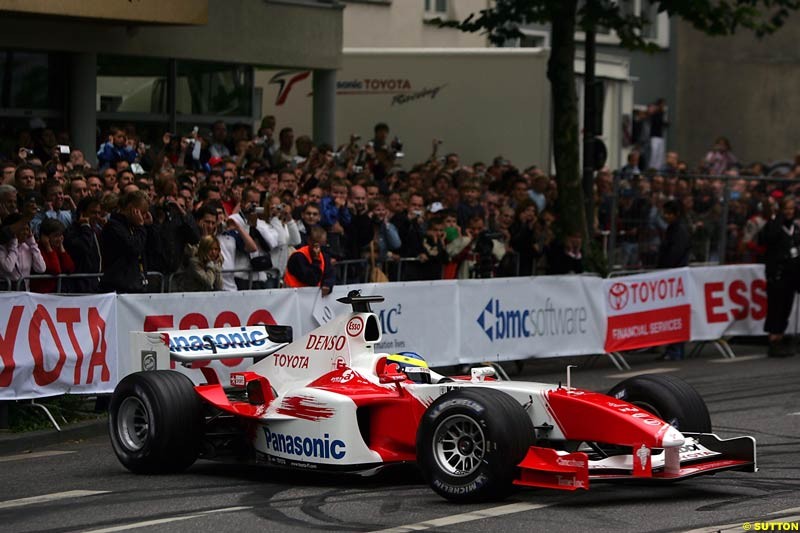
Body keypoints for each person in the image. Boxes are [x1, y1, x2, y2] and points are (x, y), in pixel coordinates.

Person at [759, 197, 800, 357]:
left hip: (792, 274)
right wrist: (776, 218)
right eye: (786, 209)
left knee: (786, 307)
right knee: (776, 307)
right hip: (777, 274)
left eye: (791, 209)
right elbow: (766, 239)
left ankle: (781, 337)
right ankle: (773, 339)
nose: (789, 212)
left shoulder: (795, 228)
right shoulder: (774, 226)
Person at [657, 199, 691, 360]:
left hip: (674, 276)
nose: (665, 216)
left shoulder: (679, 230)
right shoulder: (675, 228)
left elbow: (675, 252)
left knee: (675, 313)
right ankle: (674, 349)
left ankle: (675, 350)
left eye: (668, 213)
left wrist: (665, 267)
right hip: (674, 275)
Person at [0, 212, 45, 290]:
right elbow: (8, 267)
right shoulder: (2, 247)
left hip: (24, 295)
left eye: (27, 229)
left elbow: (41, 268)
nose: (25, 233)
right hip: (6, 295)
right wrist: (14, 244)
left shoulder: (28, 247)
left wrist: (33, 244)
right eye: (21, 229)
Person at [284, 225, 335, 295]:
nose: (319, 248)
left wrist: (327, 284)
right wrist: (316, 259)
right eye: (316, 244)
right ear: (309, 241)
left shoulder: (323, 256)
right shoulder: (298, 257)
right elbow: (312, 280)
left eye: (322, 244)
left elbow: (330, 274)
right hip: (294, 296)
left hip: (312, 298)